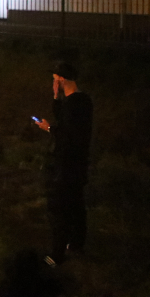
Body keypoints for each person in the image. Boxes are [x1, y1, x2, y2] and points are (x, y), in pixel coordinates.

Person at [35, 62, 93, 267]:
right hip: (80, 161)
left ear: (61, 79)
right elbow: (64, 119)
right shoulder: (83, 100)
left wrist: (49, 129)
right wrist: (55, 97)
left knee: (59, 208)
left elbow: (67, 134)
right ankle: (76, 244)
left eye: (54, 78)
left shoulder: (73, 104)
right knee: (76, 203)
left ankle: (56, 255)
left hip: (67, 162)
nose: (53, 81)